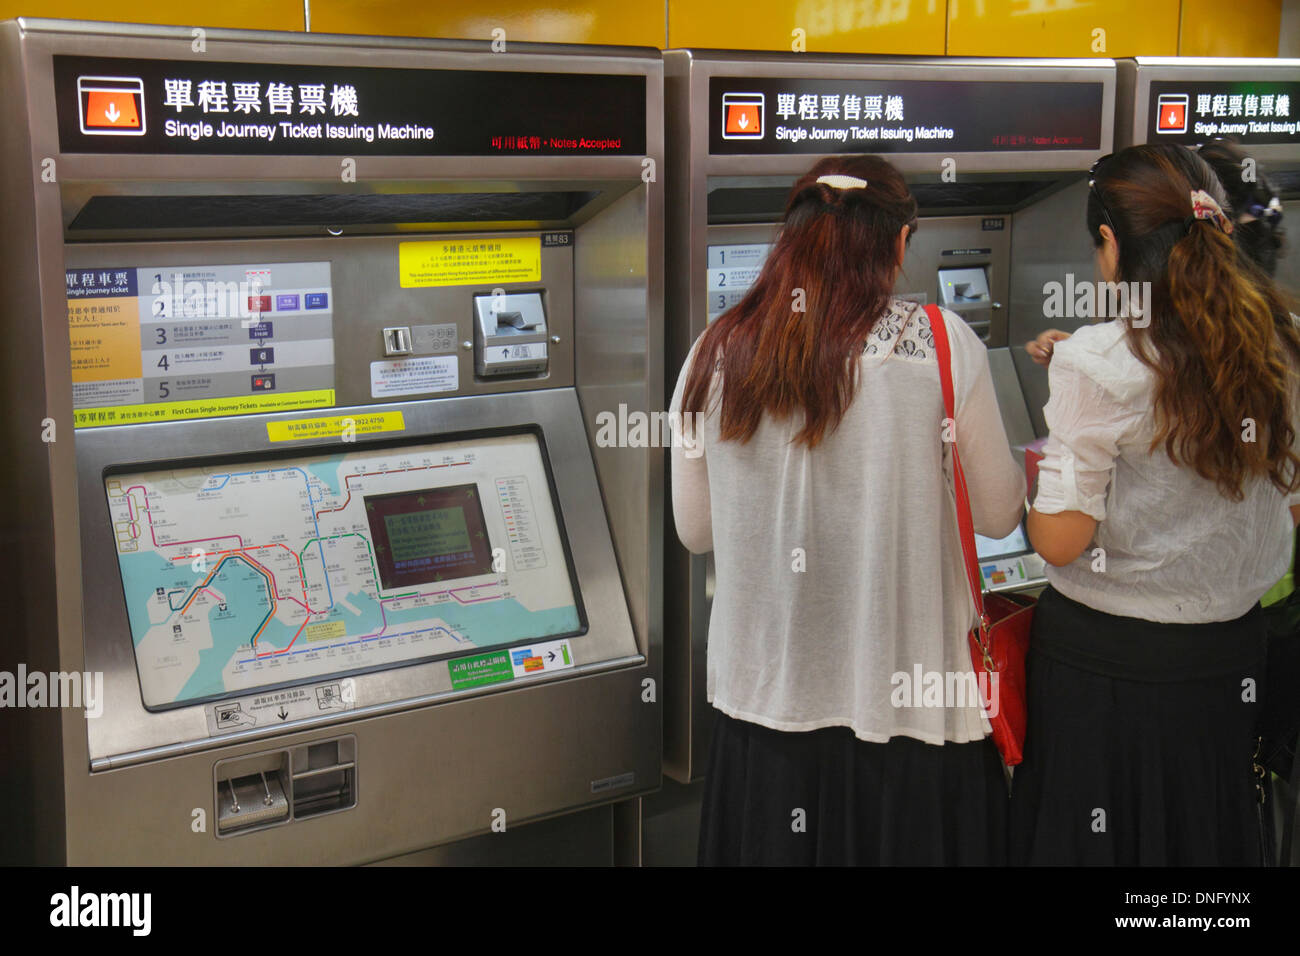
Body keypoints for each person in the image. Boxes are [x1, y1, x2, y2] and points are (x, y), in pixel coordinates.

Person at [670, 155, 1025, 866]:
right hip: (913, 714)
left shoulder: (714, 353)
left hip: (768, 711)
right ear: (897, 243)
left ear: (791, 239)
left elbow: (697, 530)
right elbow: (996, 513)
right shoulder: (943, 345)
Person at [1010, 144, 1300, 865]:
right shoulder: (1280, 343)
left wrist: (1032, 489)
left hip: (1105, 669)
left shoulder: (1099, 358)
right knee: (1200, 835)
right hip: (1229, 657)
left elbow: (1062, 541)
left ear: (1111, 244)